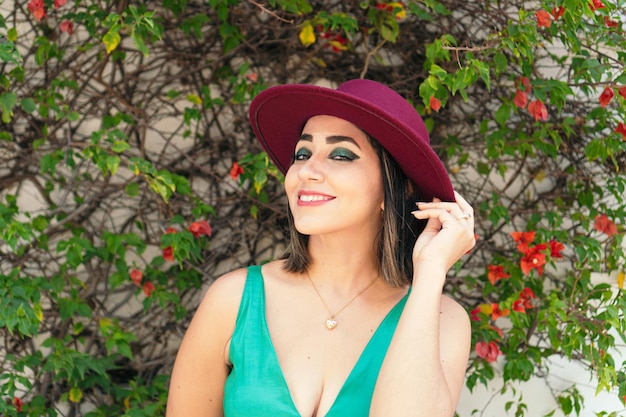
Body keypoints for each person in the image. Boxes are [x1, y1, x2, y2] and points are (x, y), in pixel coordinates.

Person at [166, 79, 475, 417]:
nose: (307, 171)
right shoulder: (232, 300)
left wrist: (430, 273)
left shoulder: (443, 320)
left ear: (397, 189)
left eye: (340, 155)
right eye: (302, 154)